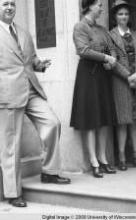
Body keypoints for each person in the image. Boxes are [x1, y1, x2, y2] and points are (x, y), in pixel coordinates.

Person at [0, 0, 71, 208]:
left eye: (13, 3)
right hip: (8, 93)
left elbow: (30, 59)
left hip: (31, 88)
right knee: (11, 145)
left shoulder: (22, 32)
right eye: (5, 4)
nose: (10, 7)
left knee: (52, 123)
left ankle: (49, 172)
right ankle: (13, 192)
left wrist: (40, 65)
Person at [70, 0, 130, 178]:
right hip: (88, 77)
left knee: (103, 119)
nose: (102, 8)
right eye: (99, 5)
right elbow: (83, 50)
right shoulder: (80, 27)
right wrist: (105, 58)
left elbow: (112, 49)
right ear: (90, 6)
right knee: (90, 120)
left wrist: (110, 61)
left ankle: (103, 159)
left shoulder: (103, 29)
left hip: (103, 77)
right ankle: (94, 161)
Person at [109, 0, 136, 171]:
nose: (124, 17)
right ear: (115, 17)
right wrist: (128, 76)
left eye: (126, 14)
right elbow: (112, 60)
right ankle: (122, 157)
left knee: (135, 120)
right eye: (120, 14)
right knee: (123, 120)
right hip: (121, 82)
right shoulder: (110, 35)